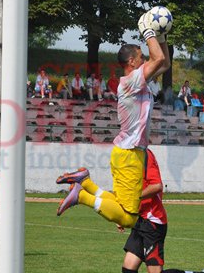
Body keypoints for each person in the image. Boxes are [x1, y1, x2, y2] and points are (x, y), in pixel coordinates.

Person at [55, 13, 171, 228]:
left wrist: (161, 37)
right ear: (131, 62)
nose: (145, 59)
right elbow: (159, 60)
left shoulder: (136, 81)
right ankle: (82, 196)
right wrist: (148, 31)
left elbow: (163, 64)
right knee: (128, 218)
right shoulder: (131, 81)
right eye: (141, 57)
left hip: (127, 153)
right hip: (129, 155)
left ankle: (85, 182)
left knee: (120, 205)